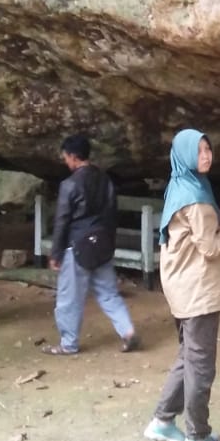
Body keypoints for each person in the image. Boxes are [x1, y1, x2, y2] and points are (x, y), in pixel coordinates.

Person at [144, 129, 220, 441]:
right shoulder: (197, 200)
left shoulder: (182, 183)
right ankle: (197, 436)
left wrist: (218, 216)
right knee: (201, 365)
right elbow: (211, 248)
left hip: (179, 284)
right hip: (197, 289)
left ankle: (162, 421)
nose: (206, 155)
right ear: (186, 154)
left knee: (188, 356)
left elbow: (194, 229)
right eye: (200, 150)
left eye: (208, 149)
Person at [43, 133, 139, 356]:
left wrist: (55, 253)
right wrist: (109, 243)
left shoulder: (69, 185)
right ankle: (128, 331)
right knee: (108, 293)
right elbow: (112, 214)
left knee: (69, 298)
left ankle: (68, 343)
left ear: (74, 157)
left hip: (77, 246)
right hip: (102, 244)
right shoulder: (105, 180)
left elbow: (62, 220)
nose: (65, 161)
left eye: (66, 157)